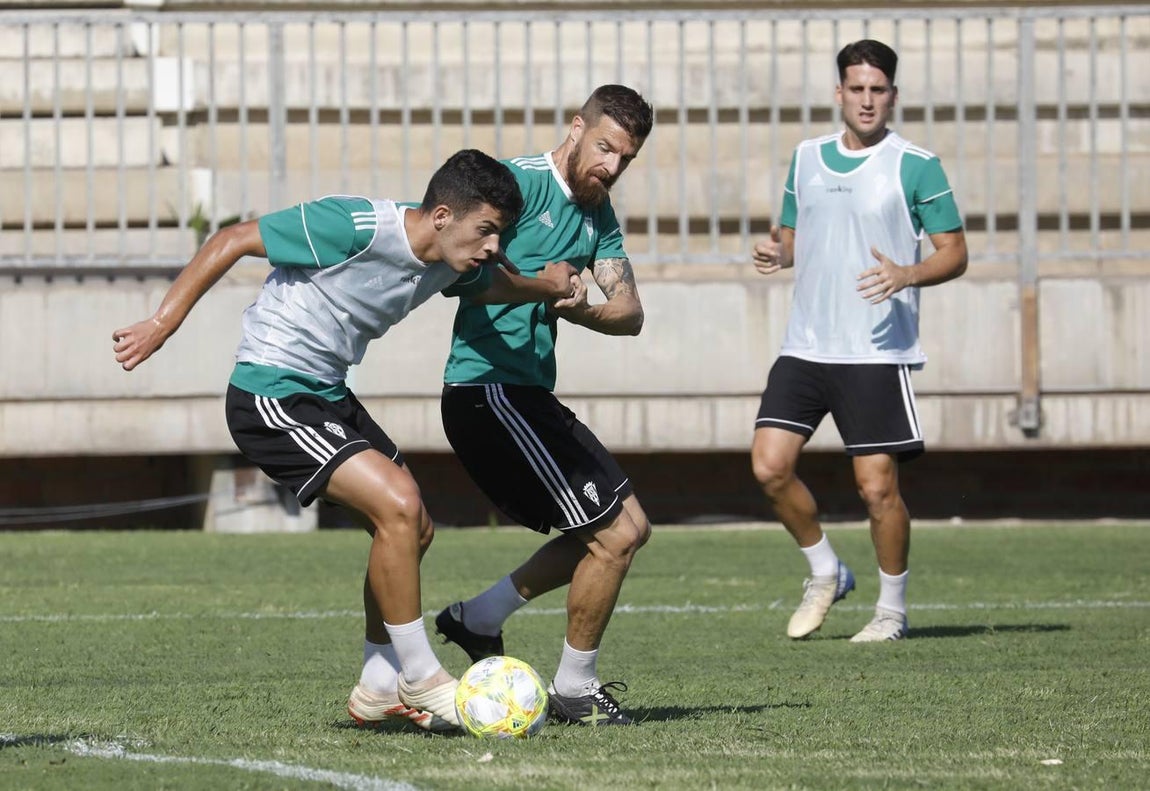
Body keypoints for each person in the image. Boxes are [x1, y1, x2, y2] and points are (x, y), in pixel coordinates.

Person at [112, 149, 581, 732]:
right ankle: (420, 675)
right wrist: (161, 324)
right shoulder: (356, 226)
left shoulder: (455, 259)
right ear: (442, 216)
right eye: (486, 230)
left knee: (413, 527)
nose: (493, 245)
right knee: (399, 506)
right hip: (270, 391)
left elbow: (495, 284)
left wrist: (546, 285)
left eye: (500, 234)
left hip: (326, 394)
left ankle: (378, 685)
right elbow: (232, 239)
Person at [430, 85, 654, 725]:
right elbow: (464, 276)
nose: (611, 166)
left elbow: (630, 313)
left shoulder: (597, 212)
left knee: (627, 528)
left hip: (526, 395)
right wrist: (544, 287)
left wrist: (578, 307)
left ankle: (480, 617)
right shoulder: (515, 186)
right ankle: (575, 689)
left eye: (625, 158)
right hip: (487, 390)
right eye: (605, 147)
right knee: (615, 534)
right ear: (577, 128)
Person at [750, 40, 968, 642]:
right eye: (857, 89)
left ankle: (891, 611)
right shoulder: (807, 157)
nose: (867, 100)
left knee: (877, 489)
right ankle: (826, 570)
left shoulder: (916, 164)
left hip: (875, 351)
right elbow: (792, 236)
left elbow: (955, 253)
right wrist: (778, 252)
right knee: (769, 467)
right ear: (839, 93)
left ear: (892, 95)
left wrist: (908, 273)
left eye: (878, 90)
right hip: (805, 345)